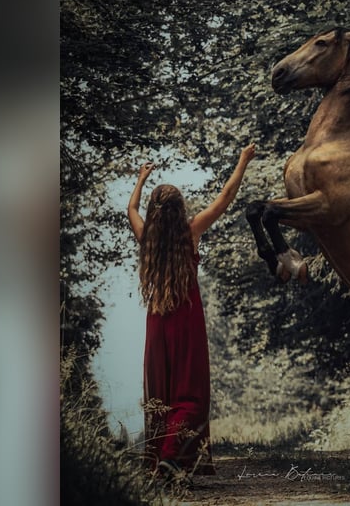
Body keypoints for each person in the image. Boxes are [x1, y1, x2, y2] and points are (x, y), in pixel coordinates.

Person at [127, 143, 256, 478]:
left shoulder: (146, 238)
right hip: (186, 319)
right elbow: (226, 197)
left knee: (163, 393)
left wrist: (141, 180)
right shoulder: (191, 231)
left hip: (157, 322)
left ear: (155, 211)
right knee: (190, 393)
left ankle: (164, 459)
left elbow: (131, 209)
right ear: (179, 208)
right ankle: (172, 458)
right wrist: (242, 160)